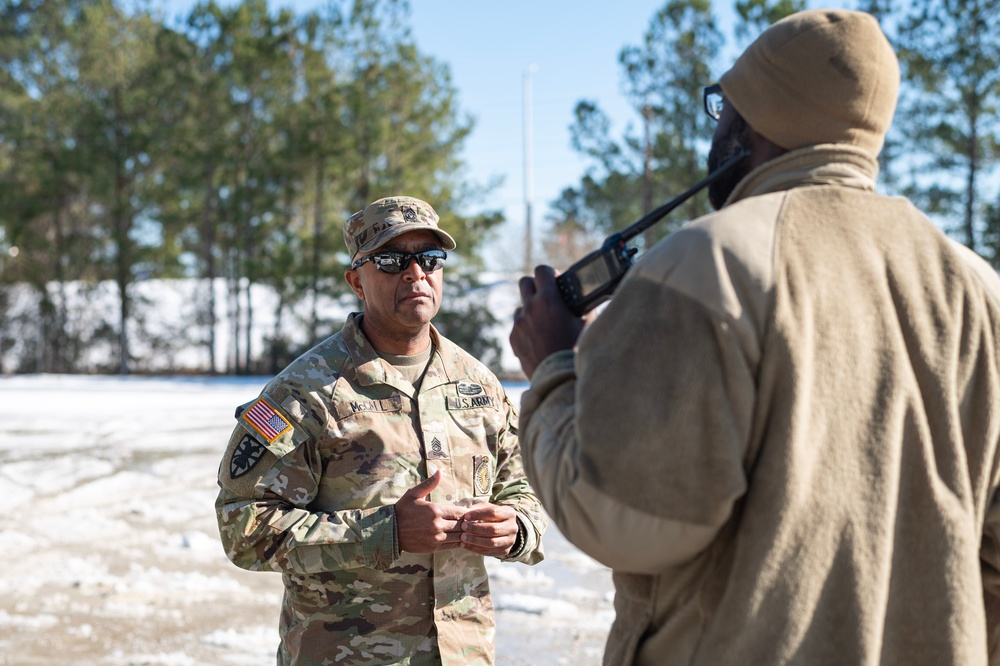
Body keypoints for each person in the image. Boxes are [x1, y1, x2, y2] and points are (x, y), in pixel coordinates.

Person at [509, 9, 1000, 666]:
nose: (717, 128)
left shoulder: (707, 263)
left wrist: (555, 367)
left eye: (724, 107)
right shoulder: (975, 286)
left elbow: (620, 516)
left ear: (756, 121)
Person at [216, 195, 546, 666]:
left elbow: (524, 483)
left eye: (430, 259)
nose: (415, 274)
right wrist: (385, 530)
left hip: (463, 654)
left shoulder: (477, 382)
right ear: (356, 281)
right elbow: (243, 528)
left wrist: (517, 528)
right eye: (391, 260)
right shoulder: (305, 392)